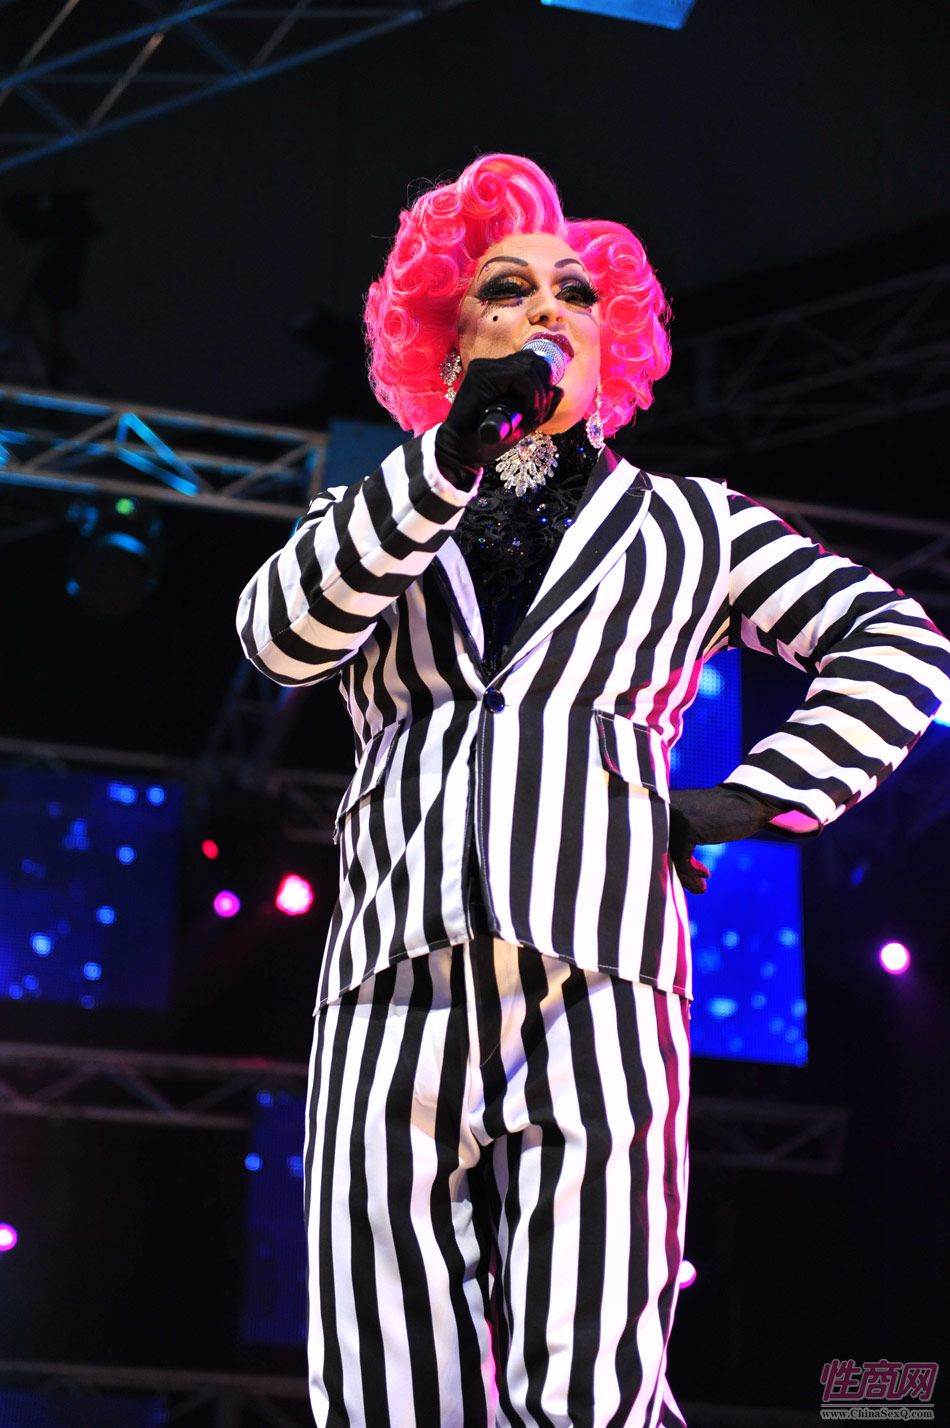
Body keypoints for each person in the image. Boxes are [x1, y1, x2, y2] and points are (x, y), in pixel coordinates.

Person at [236, 154, 950, 1428]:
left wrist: (757, 794)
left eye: (576, 292)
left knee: (590, 1390)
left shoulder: (692, 524)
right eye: (506, 289)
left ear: (606, 337)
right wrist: (446, 459)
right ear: (448, 335)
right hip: (390, 985)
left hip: (601, 984)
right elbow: (280, 637)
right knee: (387, 1385)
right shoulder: (374, 511)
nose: (548, 309)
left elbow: (897, 643)